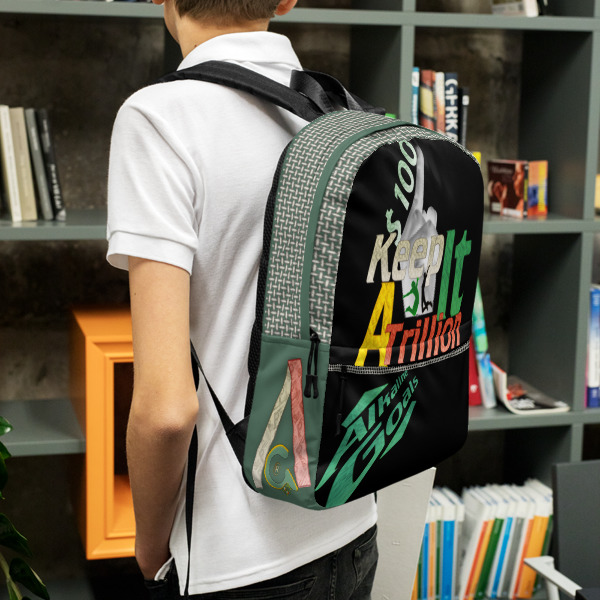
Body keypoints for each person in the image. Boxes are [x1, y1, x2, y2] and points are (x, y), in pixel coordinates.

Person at [106, 0, 378, 597]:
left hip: (238, 557)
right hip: (353, 521)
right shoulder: (341, 117)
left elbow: (166, 410)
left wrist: (150, 548)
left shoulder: (159, 118)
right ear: (287, 0)